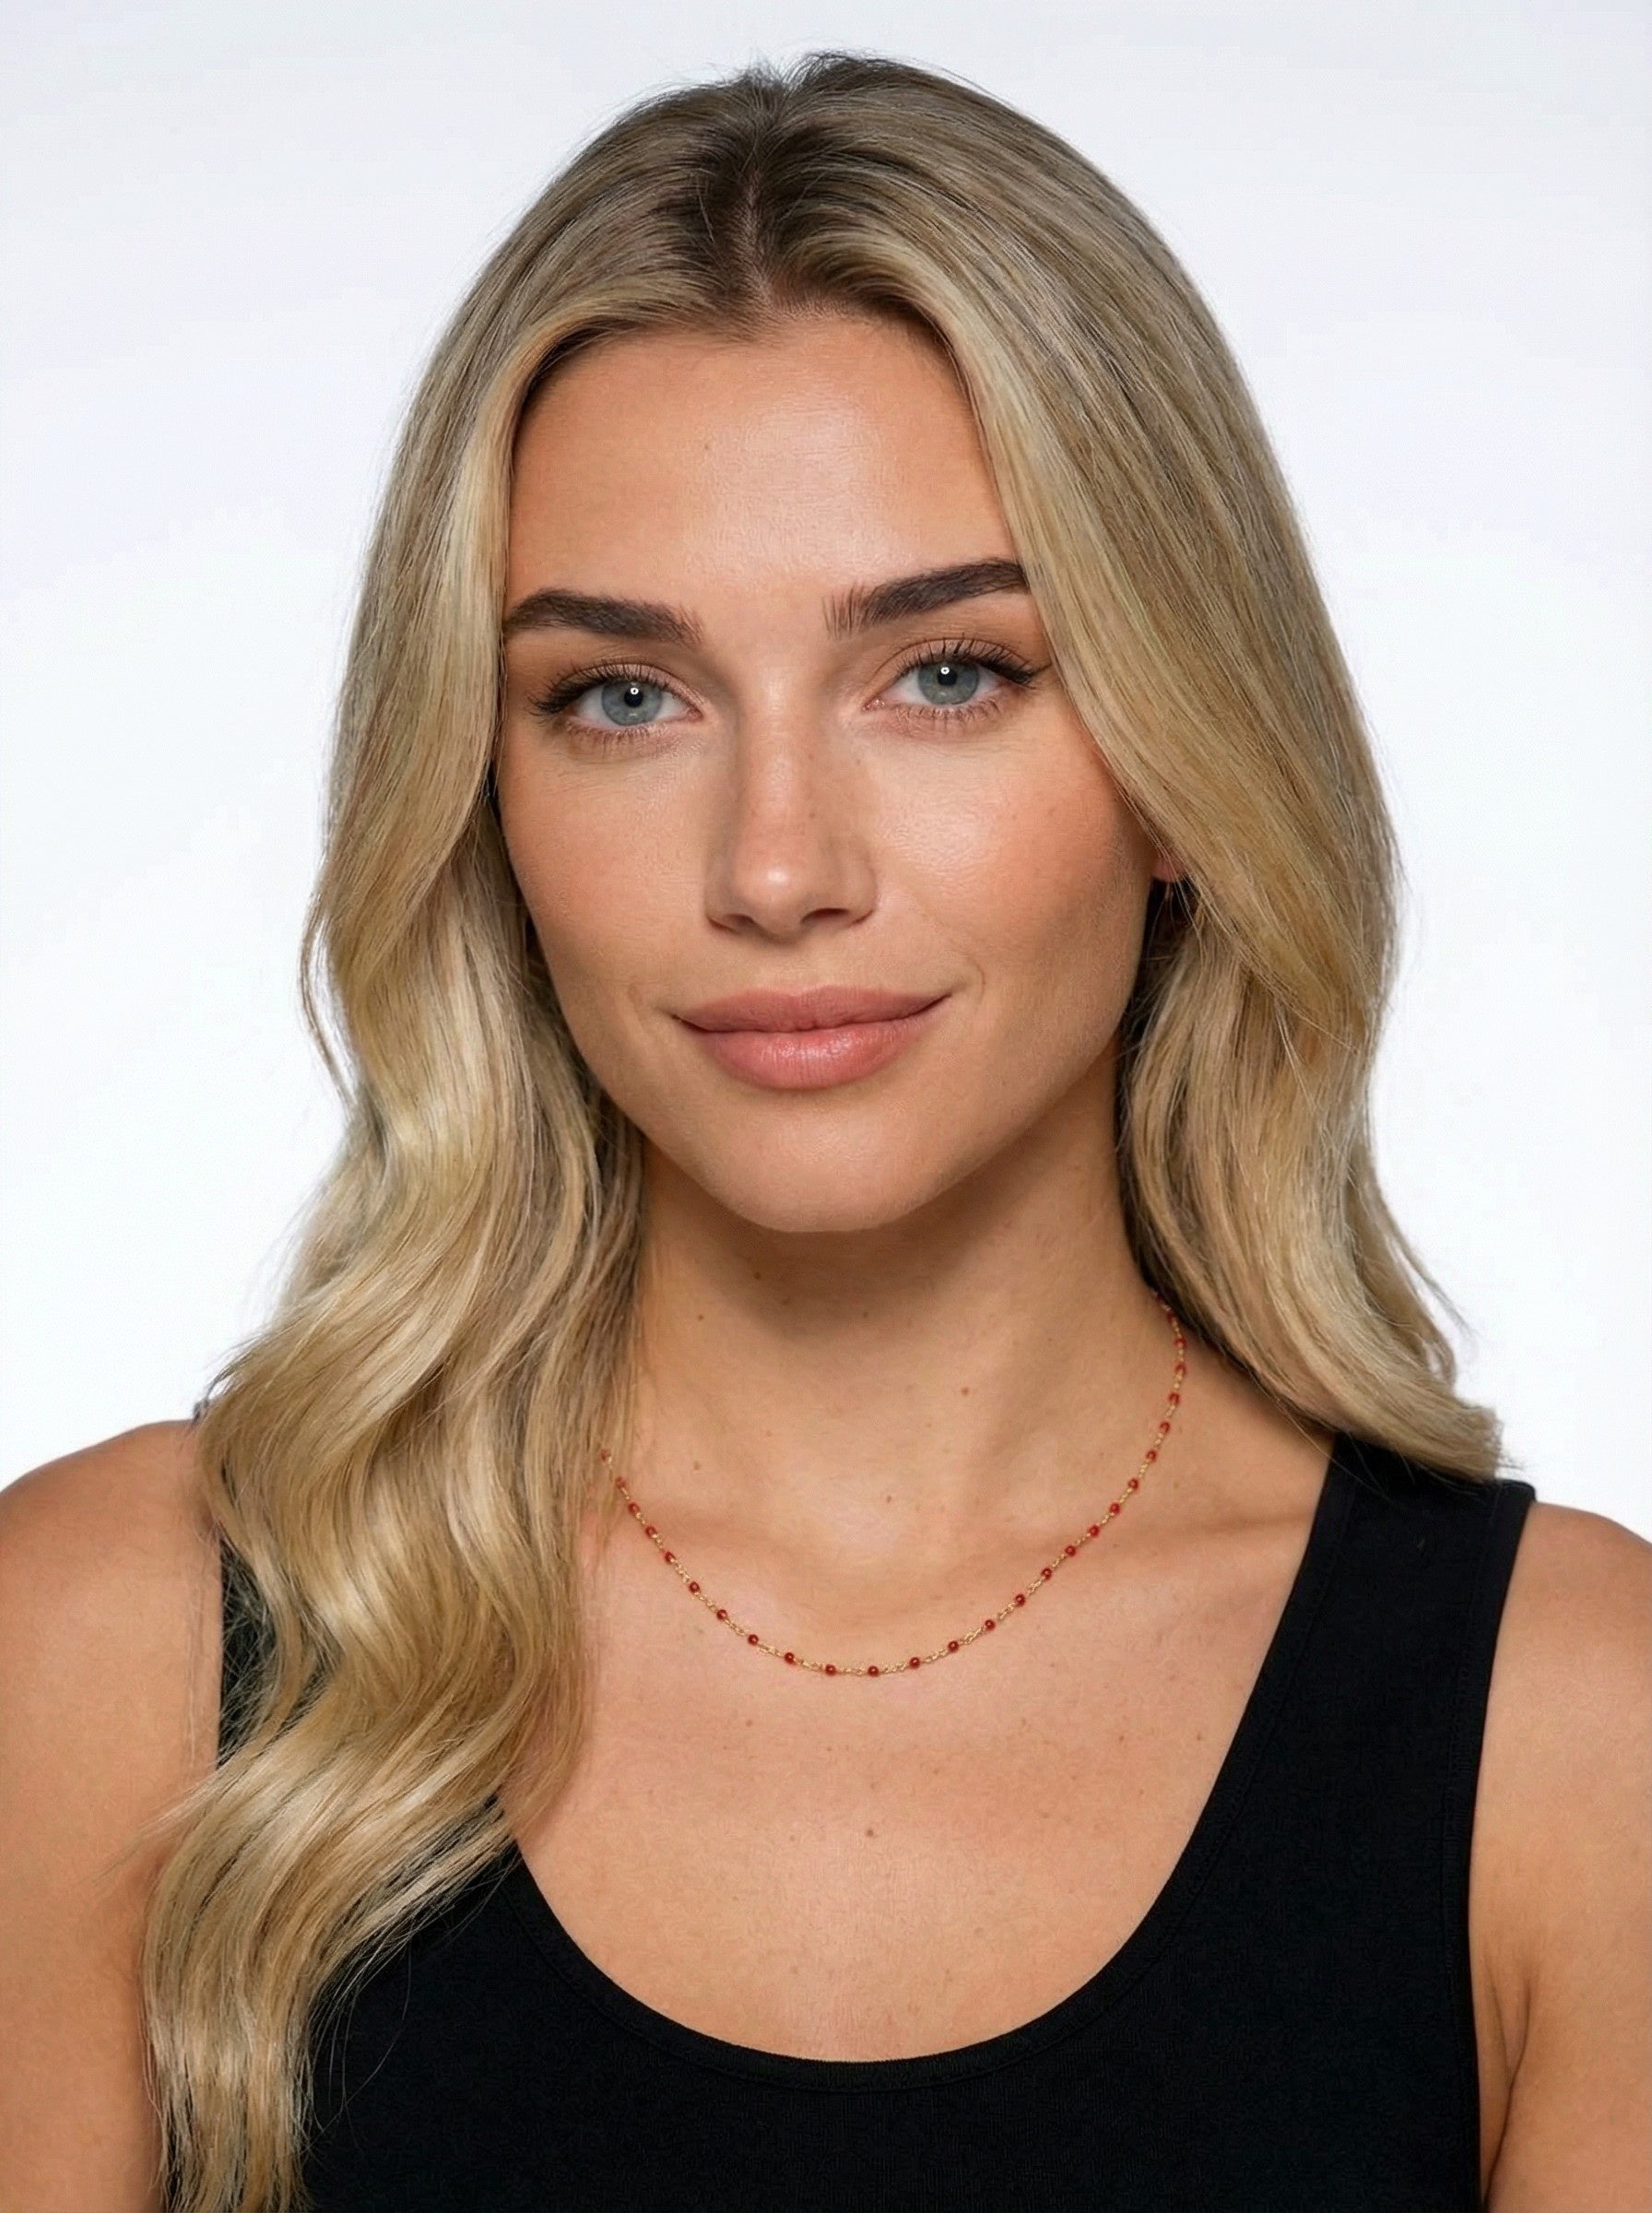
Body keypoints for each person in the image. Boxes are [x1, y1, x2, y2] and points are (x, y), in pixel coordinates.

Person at [1, 50, 1646, 2213]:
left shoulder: (1572, 1746)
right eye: (621, 697)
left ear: (1177, 754)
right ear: (481, 800)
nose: (775, 867)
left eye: (945, 673)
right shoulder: (100, 1652)